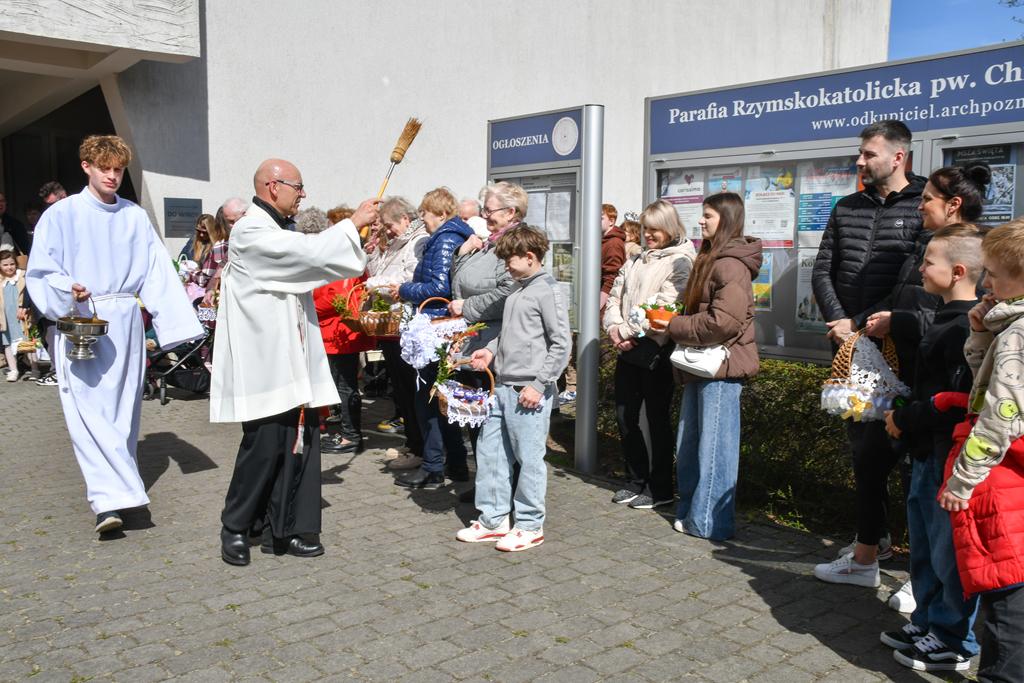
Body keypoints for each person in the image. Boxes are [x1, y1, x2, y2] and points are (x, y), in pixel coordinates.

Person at [26, 134, 204, 534]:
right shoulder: (62, 215)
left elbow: (157, 270)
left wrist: (176, 326)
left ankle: (120, 495)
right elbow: (42, 269)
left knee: (123, 413)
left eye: (118, 169)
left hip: (124, 321)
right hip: (81, 322)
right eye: (104, 167)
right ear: (86, 167)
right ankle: (108, 502)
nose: (112, 175)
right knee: (87, 412)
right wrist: (66, 288)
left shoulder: (134, 216)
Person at [212, 158, 377, 566]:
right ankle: (235, 525)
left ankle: (283, 530)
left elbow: (312, 264)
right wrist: (352, 224)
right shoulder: (251, 231)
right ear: (273, 186)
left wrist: (352, 240)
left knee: (300, 445)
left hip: (294, 356)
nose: (303, 194)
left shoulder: (276, 228)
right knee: (265, 446)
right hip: (266, 361)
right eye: (298, 186)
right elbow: (304, 253)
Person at [857, 162, 993, 612]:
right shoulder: (930, 247)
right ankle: (930, 603)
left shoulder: (975, 272)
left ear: (953, 205)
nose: (920, 206)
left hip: (937, 427)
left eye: (928, 199)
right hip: (918, 411)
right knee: (917, 504)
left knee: (940, 528)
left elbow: (957, 339)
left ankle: (942, 615)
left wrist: (904, 322)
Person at [811, 120, 925, 583]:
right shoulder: (846, 207)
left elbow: (912, 282)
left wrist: (857, 324)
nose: (860, 162)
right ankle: (870, 547)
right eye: (860, 153)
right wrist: (844, 326)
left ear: (898, 157)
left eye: (869, 154)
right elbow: (822, 269)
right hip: (852, 351)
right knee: (865, 455)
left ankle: (919, 568)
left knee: (910, 459)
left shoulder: (924, 205)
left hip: (903, 349)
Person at [876, 224, 983, 672]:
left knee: (946, 550)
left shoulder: (964, 326)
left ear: (957, 271)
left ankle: (955, 638)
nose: (920, 269)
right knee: (923, 543)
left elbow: (955, 404)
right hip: (924, 452)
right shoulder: (942, 315)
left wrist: (906, 417)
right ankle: (927, 619)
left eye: (929, 262)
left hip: (946, 454)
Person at [938, 220, 1024, 682]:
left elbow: (999, 413)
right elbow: (992, 381)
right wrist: (981, 333)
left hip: (1005, 482)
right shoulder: (1008, 328)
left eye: (993, 274)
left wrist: (963, 480)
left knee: (1006, 598)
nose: (986, 283)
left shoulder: (1018, 334)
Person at [458, 225, 571, 551]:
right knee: (490, 453)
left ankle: (529, 524)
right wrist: (491, 350)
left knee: (529, 457)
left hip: (528, 391)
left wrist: (539, 384)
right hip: (502, 387)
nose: (506, 265)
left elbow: (561, 344)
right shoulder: (519, 288)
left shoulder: (547, 291)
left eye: (510, 260)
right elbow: (509, 330)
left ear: (530, 257)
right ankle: (493, 520)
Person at [667, 192, 761, 540]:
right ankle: (693, 512)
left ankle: (709, 522)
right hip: (702, 365)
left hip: (720, 368)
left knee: (715, 448)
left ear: (727, 218)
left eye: (708, 215)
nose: (701, 221)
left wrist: (672, 325)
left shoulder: (730, 264)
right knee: (690, 443)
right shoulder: (711, 257)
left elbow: (723, 323)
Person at [604, 200, 695, 510]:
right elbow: (616, 294)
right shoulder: (637, 259)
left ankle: (660, 488)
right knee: (625, 416)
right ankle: (635, 479)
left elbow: (665, 306)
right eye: (645, 229)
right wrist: (615, 327)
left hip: (657, 349)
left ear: (669, 229)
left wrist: (627, 332)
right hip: (628, 347)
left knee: (656, 420)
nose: (648, 235)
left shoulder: (681, 262)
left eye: (654, 229)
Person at [388, 187, 474, 489]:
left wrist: (404, 289)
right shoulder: (453, 236)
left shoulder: (444, 239)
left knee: (428, 399)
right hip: (443, 328)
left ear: (439, 213)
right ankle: (455, 464)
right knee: (440, 399)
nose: (421, 220)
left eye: (424, 214)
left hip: (436, 327)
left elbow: (438, 287)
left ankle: (435, 466)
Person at [448, 182, 527, 448]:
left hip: (495, 346)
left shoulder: (515, 245)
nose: (484, 215)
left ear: (510, 213)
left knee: (491, 425)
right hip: (475, 341)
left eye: (490, 210)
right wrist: (461, 253)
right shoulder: (490, 242)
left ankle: (501, 487)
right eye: (484, 209)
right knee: (475, 419)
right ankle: (486, 485)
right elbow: (461, 281)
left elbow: (510, 294)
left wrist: (466, 307)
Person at [365, 197, 428, 469]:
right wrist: (372, 252)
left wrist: (373, 284)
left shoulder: (417, 242)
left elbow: (408, 279)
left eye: (389, 225)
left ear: (405, 218)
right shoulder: (396, 242)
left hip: (406, 325)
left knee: (411, 392)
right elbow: (378, 270)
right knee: (401, 394)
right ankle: (413, 443)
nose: (387, 230)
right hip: (390, 325)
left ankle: (420, 448)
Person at [310, 206, 375, 455]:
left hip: (340, 333)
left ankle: (351, 436)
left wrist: (308, 305)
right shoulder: (346, 257)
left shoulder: (347, 259)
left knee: (346, 386)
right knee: (343, 385)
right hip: (335, 332)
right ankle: (349, 431)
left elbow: (335, 298)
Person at [0, 250, 39, 381]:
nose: (9, 267)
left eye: (12, 264)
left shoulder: (22, 277)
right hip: (6, 318)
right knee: (8, 344)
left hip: (22, 316)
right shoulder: (1, 280)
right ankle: (13, 370)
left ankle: (35, 368)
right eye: (5, 265)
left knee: (29, 343)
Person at [599, 203, 625, 314]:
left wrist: (597, 307)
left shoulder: (613, 243)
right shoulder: (603, 240)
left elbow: (611, 278)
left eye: (600, 218)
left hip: (605, 306)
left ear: (611, 221)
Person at [0, 192, 30, 256]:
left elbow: (24, 247)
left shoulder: (15, 225)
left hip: (10, 264)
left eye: (2, 201)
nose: (0, 204)